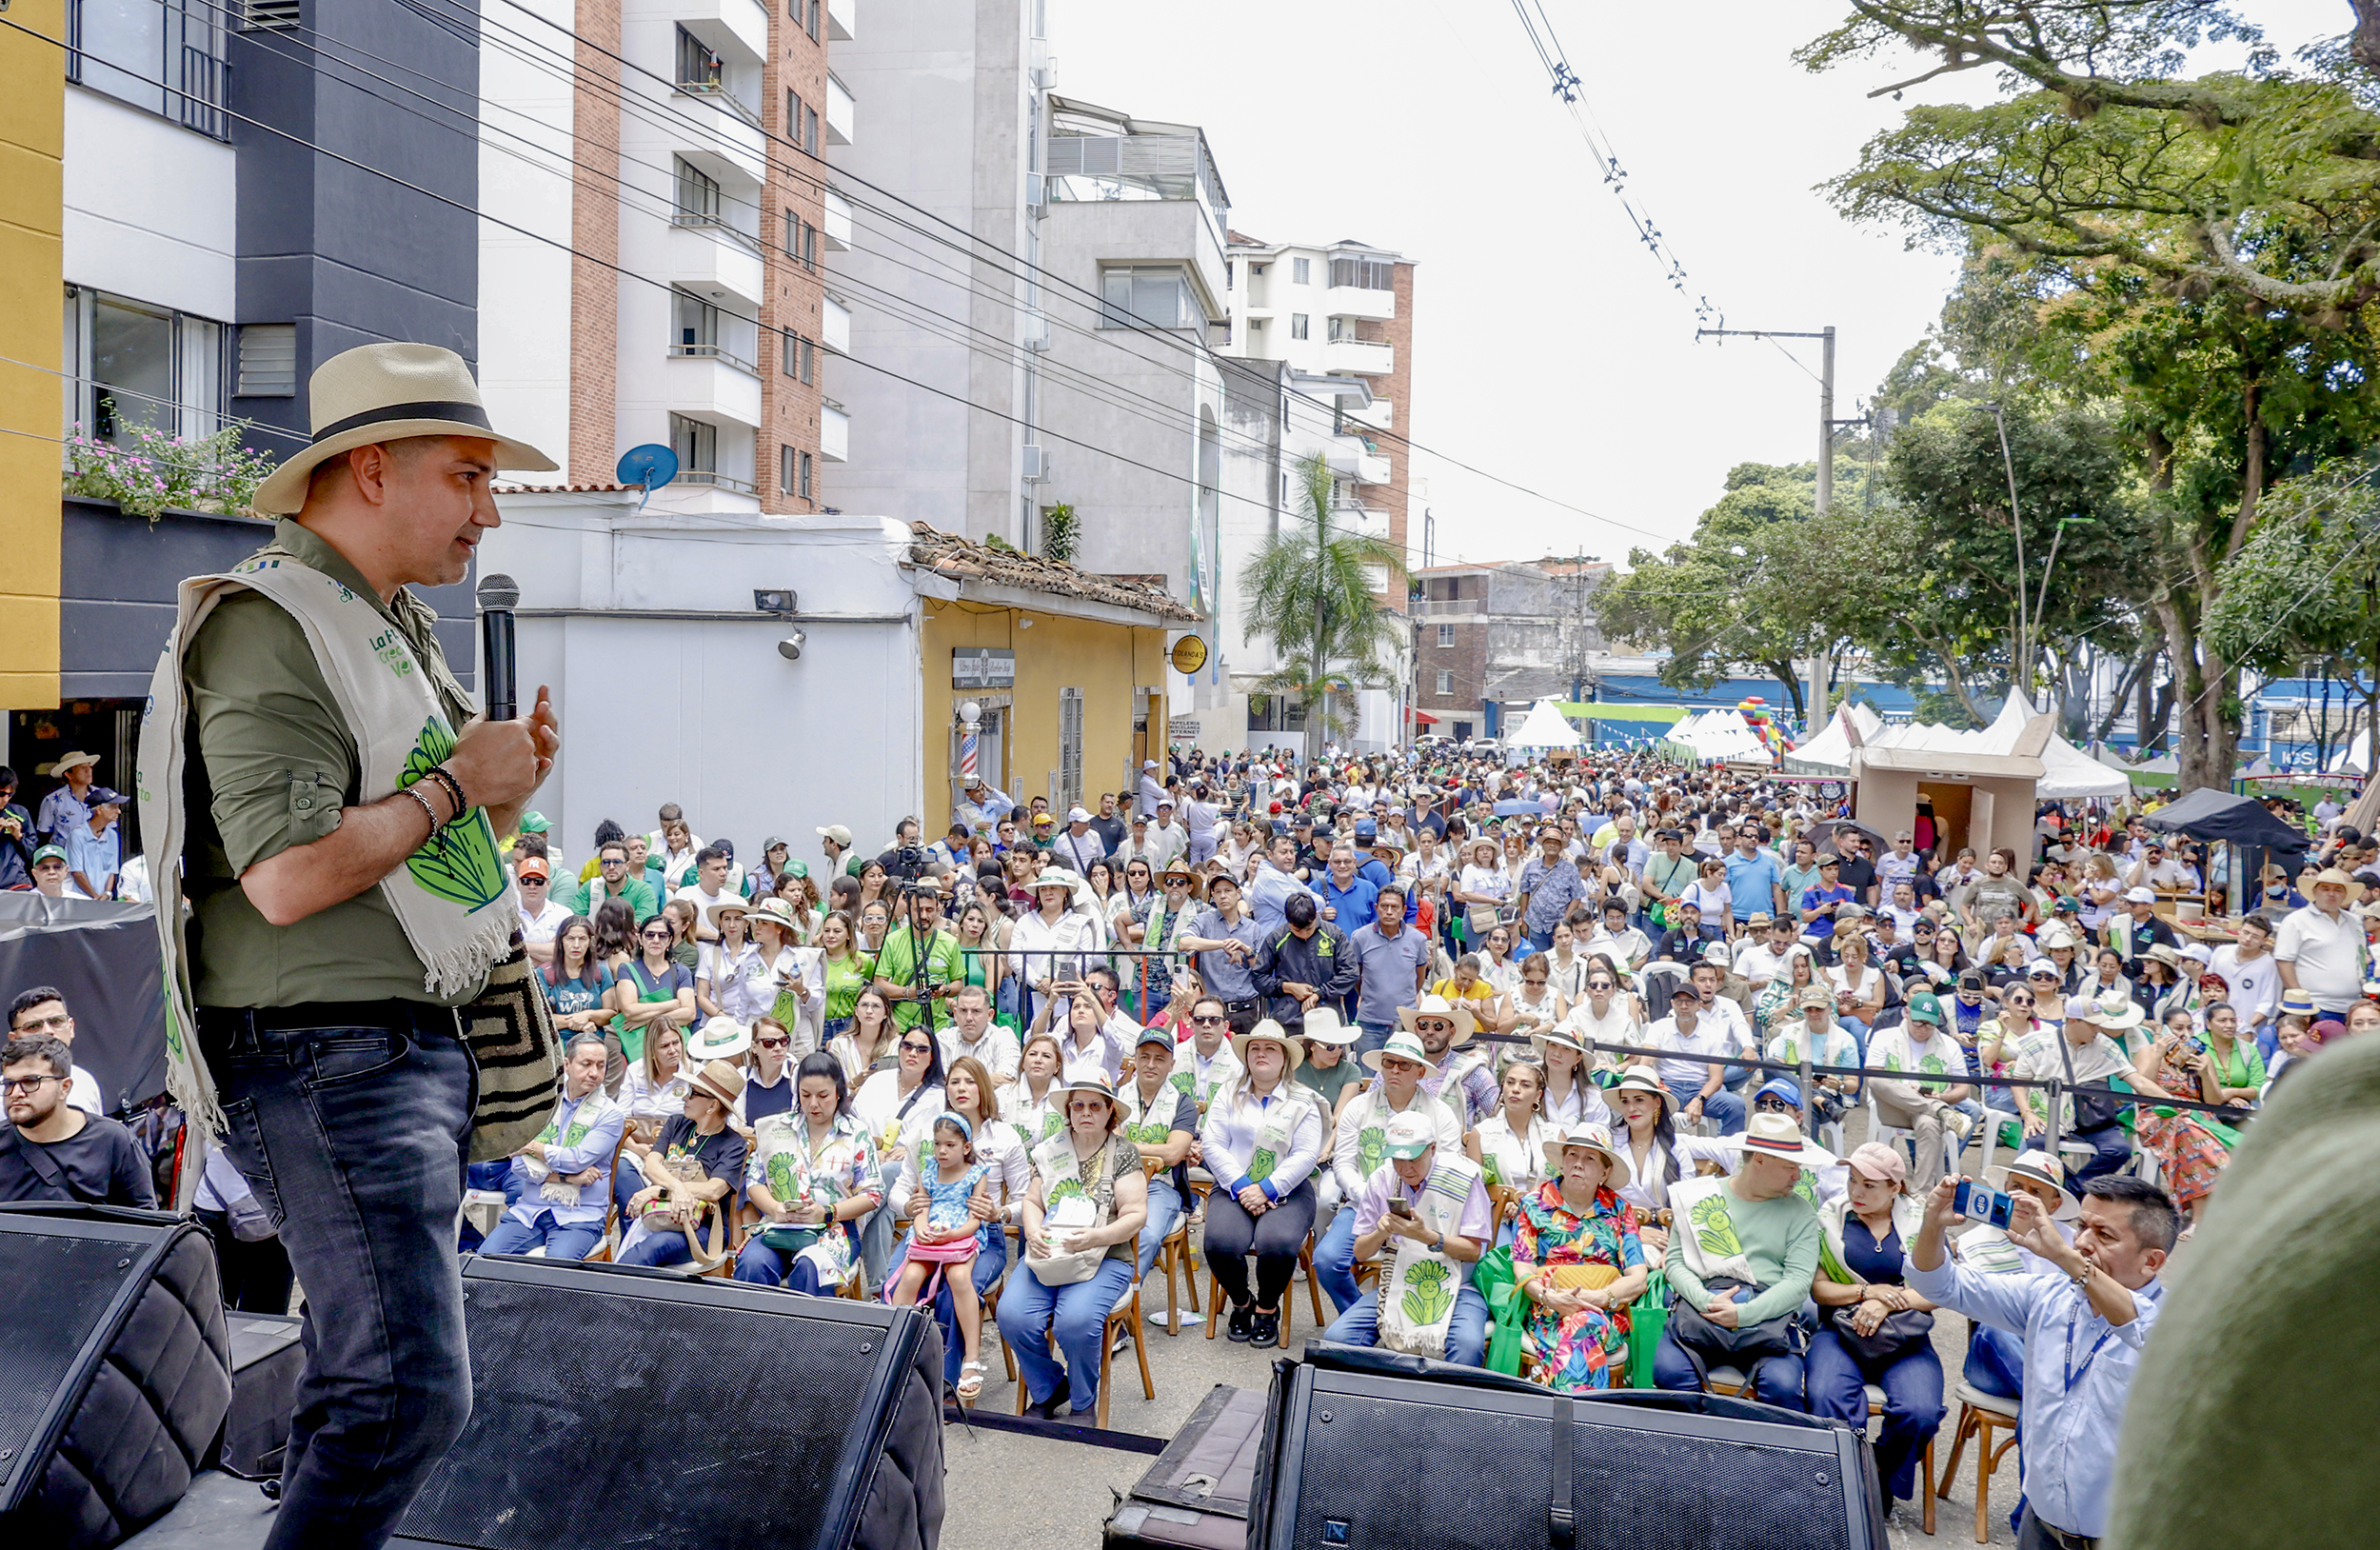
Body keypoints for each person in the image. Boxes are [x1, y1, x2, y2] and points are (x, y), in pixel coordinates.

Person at [143, 344, 562, 1550]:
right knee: (407, 1393)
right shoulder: (273, 626)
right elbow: (286, 878)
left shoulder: (380, 624)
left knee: (360, 1384)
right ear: (370, 470)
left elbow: (418, 860)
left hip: (378, 1049)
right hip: (327, 1057)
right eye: (470, 476)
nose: (489, 510)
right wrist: (454, 787)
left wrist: (502, 792)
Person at [1907, 1173, 2174, 1549]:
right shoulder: (2049, 1296)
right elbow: (1940, 1285)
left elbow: (2142, 1330)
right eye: (2081, 1226)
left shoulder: (2177, 1322)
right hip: (2040, 1527)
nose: (2082, 1242)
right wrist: (1932, 1224)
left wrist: (2065, 1259)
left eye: (2104, 1235)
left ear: (2152, 1261)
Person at [1806, 1143, 1945, 1524]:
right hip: (1840, 1330)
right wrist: (1866, 1292)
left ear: (1895, 1188)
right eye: (1852, 1181)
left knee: (1920, 1411)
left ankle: (1876, 1472)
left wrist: (1887, 1302)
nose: (1857, 1192)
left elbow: (1936, 1291)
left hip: (1905, 1337)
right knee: (1824, 1395)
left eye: (1870, 1185)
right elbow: (1819, 1289)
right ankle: (1839, 1485)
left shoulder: (1921, 1224)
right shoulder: (1831, 1220)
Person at [1000, 1071, 1150, 1419]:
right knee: (1012, 1315)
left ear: (1109, 1112)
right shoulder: (1052, 1149)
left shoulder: (1124, 1152)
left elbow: (1135, 1214)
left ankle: (1083, 1401)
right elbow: (1032, 1202)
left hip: (1106, 1253)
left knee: (1076, 1322)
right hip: (1049, 1249)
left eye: (1095, 1106)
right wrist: (1034, 1232)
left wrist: (1097, 1237)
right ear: (1068, 1111)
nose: (1086, 1112)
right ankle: (1050, 1388)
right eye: (1078, 1105)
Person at [1652, 1110, 1825, 1408]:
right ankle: (1687, 1452)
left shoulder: (1802, 1212)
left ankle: (1755, 1455)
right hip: (1701, 1311)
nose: (1798, 1175)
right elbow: (1676, 1263)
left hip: (1769, 1320)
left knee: (1783, 1388)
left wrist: (1743, 1314)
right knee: (1668, 1374)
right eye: (1790, 1166)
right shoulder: (1699, 1197)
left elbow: (1798, 1284)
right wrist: (1706, 1301)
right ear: (1759, 1159)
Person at [1318, 1108, 1496, 1365]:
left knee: (1466, 1345)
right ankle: (1379, 1397)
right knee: (1338, 1337)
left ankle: (1449, 1404)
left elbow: (1473, 1252)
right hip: (1400, 1277)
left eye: (1413, 1158)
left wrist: (1429, 1236)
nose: (1405, 1167)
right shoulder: (1382, 1178)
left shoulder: (1463, 1176)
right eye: (1397, 1159)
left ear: (1433, 1148)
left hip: (1459, 1282)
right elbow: (1360, 1253)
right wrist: (1382, 1231)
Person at [1317, 1026, 1465, 1313]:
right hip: (1363, 1205)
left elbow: (1449, 1168)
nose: (1395, 1070)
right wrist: (1369, 1195)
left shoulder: (1441, 1113)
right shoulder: (1358, 1107)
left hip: (1424, 1210)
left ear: (1420, 1072)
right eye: (1389, 1062)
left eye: (1404, 1064)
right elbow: (1343, 1164)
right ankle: (1363, 1317)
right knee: (1326, 1259)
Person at [1200, 1020, 1324, 1347]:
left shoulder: (1303, 1100)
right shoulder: (1228, 1092)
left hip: (1288, 1190)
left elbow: (1306, 1155)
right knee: (1219, 1243)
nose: (1261, 1053)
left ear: (1285, 1058)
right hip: (1233, 1186)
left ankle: (1268, 1308)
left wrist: (1267, 1189)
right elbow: (1212, 1144)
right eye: (1255, 1048)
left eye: (1270, 1048)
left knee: (1278, 1242)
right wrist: (1244, 1186)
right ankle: (1243, 1302)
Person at [1512, 1121, 1648, 1390]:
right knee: (1578, 1326)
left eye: (1589, 1158)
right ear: (1562, 1162)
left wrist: (1598, 1298)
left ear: (1604, 1172)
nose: (1578, 1163)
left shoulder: (1620, 1211)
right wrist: (1549, 1297)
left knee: (1582, 1322)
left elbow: (1638, 1277)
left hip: (1604, 1313)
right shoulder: (1533, 1204)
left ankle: (1563, 1413)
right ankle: (1586, 1418)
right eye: (1572, 1154)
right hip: (1548, 1311)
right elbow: (1523, 1267)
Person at [481, 1036, 622, 1261]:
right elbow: (518, 1165)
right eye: (586, 1064)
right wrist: (566, 1179)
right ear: (566, 1065)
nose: (594, 1073)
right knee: (484, 1261)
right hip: (530, 1211)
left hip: (579, 1217)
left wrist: (532, 1147)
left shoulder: (610, 1114)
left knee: (556, 1274)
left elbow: (577, 1160)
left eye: (601, 1065)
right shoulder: (543, 1105)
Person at [887, 1114, 994, 1400]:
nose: (942, 1151)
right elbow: (921, 1210)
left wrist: (953, 1234)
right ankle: (894, 1348)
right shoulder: (928, 1172)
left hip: (959, 1236)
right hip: (931, 1236)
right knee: (910, 1276)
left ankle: (971, 1357)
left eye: (950, 1145)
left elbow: (976, 1221)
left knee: (959, 1277)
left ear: (966, 1147)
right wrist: (921, 1229)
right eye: (937, 1145)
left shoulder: (976, 1175)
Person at [613, 1060, 748, 1268]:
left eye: (693, 1093)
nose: (686, 1097)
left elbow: (714, 1189)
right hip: (659, 1214)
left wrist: (658, 1191)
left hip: (703, 1228)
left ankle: (610, 1299)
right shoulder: (677, 1123)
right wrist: (675, 1187)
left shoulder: (733, 1144)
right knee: (640, 1243)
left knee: (652, 1247)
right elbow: (651, 1164)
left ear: (713, 1105)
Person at [0, 1034, 153, 1204]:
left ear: (64, 1088)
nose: (15, 1093)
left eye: (30, 1082)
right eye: (9, 1084)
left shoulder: (113, 1141)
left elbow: (144, 1220)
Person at [2017, 995, 2140, 1190]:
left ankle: (2073, 1189)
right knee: (2038, 1143)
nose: (2097, 1029)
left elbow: (2136, 1079)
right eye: (2092, 1025)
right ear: (2073, 1020)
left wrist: (2170, 1099)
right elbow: (2018, 1081)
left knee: (2119, 1149)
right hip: (2049, 1114)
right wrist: (2027, 1113)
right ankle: (2063, 1189)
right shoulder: (2039, 1042)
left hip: (2092, 1115)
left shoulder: (2105, 1045)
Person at [1866, 989, 1978, 1194]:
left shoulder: (1949, 1045)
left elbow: (1963, 1089)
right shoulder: (1884, 1037)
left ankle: (1921, 1193)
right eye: (1918, 1021)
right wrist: (1912, 1094)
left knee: (1928, 1123)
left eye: (1929, 1024)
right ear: (1907, 1013)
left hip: (1927, 1109)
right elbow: (1874, 1079)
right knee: (1876, 1081)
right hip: (1893, 1107)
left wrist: (1940, 1097)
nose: (1923, 1028)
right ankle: (1939, 1110)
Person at [1118, 1026, 1198, 1279]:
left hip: (1162, 1185)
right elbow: (1106, 1146)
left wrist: (1127, 1147)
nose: (1150, 1064)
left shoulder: (1183, 1102)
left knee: (1146, 1234)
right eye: (1145, 1057)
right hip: (1116, 1182)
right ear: (1136, 1059)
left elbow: (1174, 1154)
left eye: (1159, 1058)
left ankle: (1125, 1299)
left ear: (1172, 1064)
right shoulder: (1116, 1097)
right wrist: (1155, 1151)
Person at [1645, 982, 1745, 1136]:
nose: (1684, 1006)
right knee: (1641, 1101)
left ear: (1699, 1005)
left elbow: (1717, 1078)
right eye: (1679, 1002)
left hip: (1701, 1088)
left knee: (1736, 1105)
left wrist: (1699, 1099)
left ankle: (1725, 1154)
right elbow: (1647, 1060)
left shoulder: (1712, 1034)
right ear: (1672, 1004)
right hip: (1667, 1087)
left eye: (1689, 1002)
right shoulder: (1659, 1027)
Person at [2274, 866, 2367, 1019]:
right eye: (2325, 888)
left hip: (2353, 1006)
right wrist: (2300, 1003)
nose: (2331, 894)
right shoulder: (2295, 920)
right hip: (2316, 1007)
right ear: (2315, 891)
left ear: (2344, 895)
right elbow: (2284, 962)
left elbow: (2361, 958)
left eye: (2338, 889)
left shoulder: (2354, 921)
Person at [7, 985, 105, 1114]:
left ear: (71, 1027)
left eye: (56, 1021)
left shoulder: (85, 1081)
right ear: (14, 1039)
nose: (48, 1031)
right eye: (33, 1026)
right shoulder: (4, 1093)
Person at [1470, 1059, 1555, 1199]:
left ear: (1538, 1096)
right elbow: (1474, 1191)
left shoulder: (1555, 1135)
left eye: (1525, 1085)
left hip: (1544, 1215)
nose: (1515, 1089)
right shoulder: (1480, 1133)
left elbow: (1562, 1188)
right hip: (1496, 1215)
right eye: (1510, 1082)